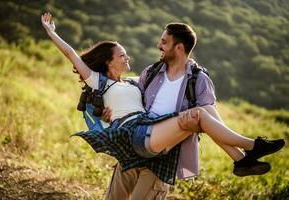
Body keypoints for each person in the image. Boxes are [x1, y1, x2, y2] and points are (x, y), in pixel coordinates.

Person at [41, 12, 285, 198]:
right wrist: (52, 33)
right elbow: (72, 55)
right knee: (199, 114)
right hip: (137, 134)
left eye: (163, 42)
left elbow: (156, 97)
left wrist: (110, 115)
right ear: (108, 61)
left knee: (205, 112)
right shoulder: (108, 81)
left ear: (179, 47)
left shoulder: (145, 82)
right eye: (122, 55)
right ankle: (252, 146)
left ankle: (243, 160)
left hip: (157, 140)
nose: (128, 57)